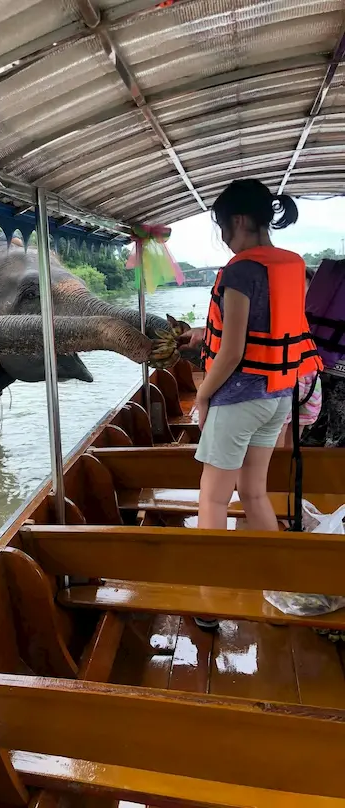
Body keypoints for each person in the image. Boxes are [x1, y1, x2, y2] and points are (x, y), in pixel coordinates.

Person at [179, 180, 322, 628]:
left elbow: (233, 349)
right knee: (255, 492)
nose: (223, 238)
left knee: (213, 499)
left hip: (239, 399)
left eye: (223, 227)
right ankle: (282, 579)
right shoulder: (292, 265)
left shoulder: (240, 270)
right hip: (280, 394)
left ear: (239, 221)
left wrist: (202, 396)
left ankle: (208, 600)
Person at [276, 269, 322, 448]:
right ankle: (288, 474)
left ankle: (275, 474)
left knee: (275, 447)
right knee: (292, 448)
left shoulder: (274, 311)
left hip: (285, 380)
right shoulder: (318, 311)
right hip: (312, 379)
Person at [302, 258, 345, 448]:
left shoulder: (334, 273)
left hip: (315, 364)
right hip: (337, 371)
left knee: (314, 432)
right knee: (337, 439)